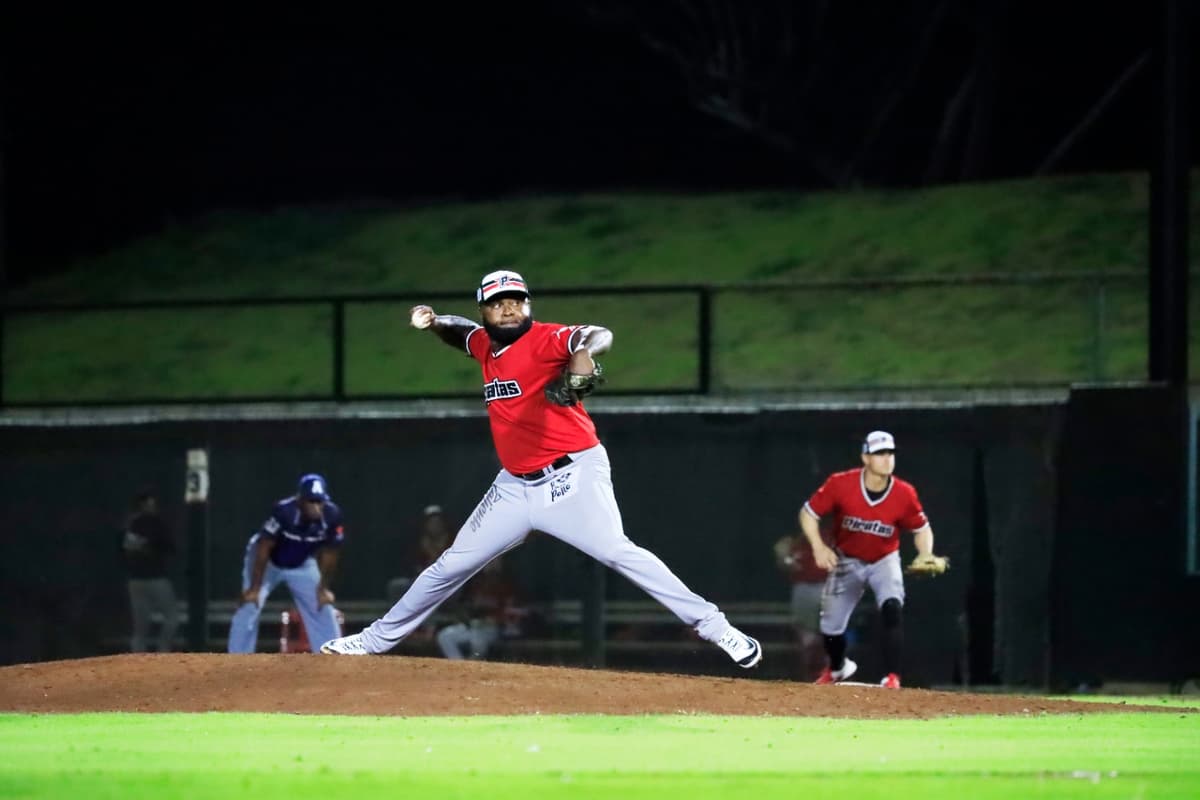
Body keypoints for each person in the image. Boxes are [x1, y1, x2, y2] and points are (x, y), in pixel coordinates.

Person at [321, 268, 762, 668]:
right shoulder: (485, 346)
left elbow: (597, 334)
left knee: (617, 551)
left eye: (517, 300)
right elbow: (464, 334)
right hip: (514, 486)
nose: (509, 307)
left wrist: (583, 358)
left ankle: (716, 628)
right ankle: (373, 640)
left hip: (573, 474)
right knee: (450, 565)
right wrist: (436, 321)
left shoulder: (548, 339)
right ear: (486, 311)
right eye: (498, 302)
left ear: (528, 305)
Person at [800, 430, 943, 689]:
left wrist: (925, 553)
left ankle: (892, 677)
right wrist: (819, 547)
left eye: (890, 453)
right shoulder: (841, 484)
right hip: (847, 559)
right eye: (879, 454)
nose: (887, 459)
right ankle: (837, 668)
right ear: (865, 457)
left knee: (892, 607)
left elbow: (921, 529)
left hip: (883, 559)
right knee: (830, 626)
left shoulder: (904, 493)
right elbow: (808, 514)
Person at [227, 473, 345, 654]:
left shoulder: (331, 515)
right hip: (269, 563)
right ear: (300, 500)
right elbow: (264, 546)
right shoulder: (284, 511)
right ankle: (236, 660)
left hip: (302, 563)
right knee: (250, 603)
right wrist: (255, 587)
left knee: (322, 606)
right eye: (311, 501)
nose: (316, 507)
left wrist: (323, 588)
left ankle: (332, 660)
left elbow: (331, 554)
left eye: (319, 502)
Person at [122, 488, 179, 652]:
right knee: (171, 618)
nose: (152, 507)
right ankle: (161, 652)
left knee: (141, 627)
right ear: (143, 505)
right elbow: (170, 547)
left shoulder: (130, 524)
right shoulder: (154, 523)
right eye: (149, 504)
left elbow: (123, 550)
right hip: (154, 578)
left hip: (136, 579)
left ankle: (141, 660)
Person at [435, 556, 525, 660]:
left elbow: (512, 611)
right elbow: (466, 606)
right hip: (472, 626)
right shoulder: (477, 583)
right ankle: (458, 664)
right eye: (489, 562)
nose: (491, 565)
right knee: (444, 636)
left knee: (478, 642)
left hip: (491, 629)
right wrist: (465, 617)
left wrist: (496, 620)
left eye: (494, 562)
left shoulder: (506, 585)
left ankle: (470, 668)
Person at [772, 527, 830, 680]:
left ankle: (832, 673)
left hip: (828, 586)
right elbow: (786, 564)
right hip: (804, 587)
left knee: (831, 633)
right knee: (807, 635)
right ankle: (809, 676)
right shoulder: (795, 542)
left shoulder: (832, 536)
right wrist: (784, 557)